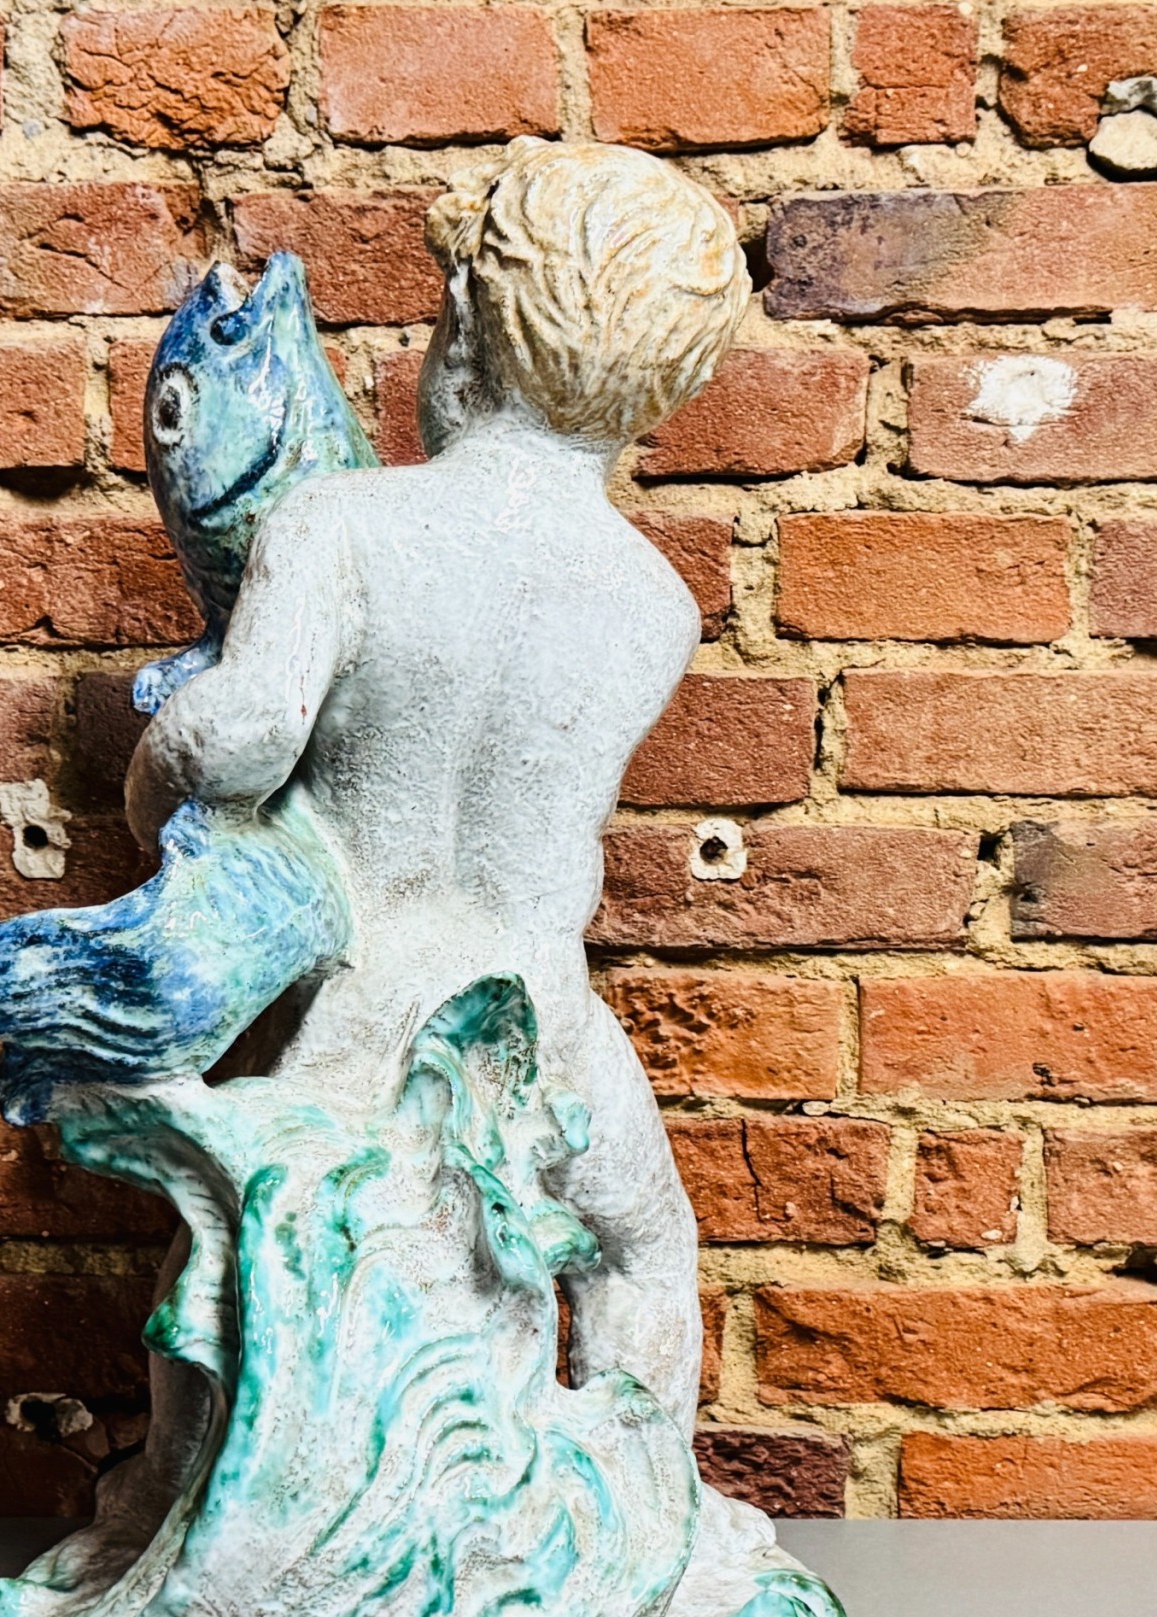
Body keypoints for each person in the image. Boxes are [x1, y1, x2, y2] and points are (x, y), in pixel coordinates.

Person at [123, 137, 752, 1435]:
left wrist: (152, 786)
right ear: (669, 391)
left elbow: (245, 733)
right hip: (545, 1013)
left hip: (360, 1002)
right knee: (642, 1250)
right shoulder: (656, 606)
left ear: (459, 317)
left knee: (239, 1267)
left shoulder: (340, 523)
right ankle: (632, 1495)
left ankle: (180, 1507)